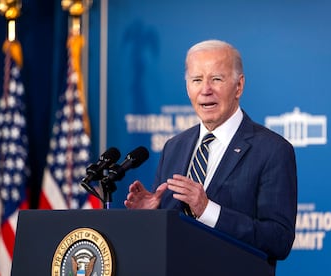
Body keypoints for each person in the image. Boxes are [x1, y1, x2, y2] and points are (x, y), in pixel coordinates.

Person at [124, 39, 297, 261]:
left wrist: (207, 210)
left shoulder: (272, 150)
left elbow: (278, 241)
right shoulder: (174, 147)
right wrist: (151, 218)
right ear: (188, 88)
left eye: (216, 79)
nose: (206, 90)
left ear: (239, 86)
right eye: (197, 80)